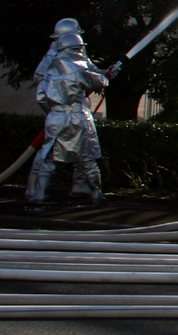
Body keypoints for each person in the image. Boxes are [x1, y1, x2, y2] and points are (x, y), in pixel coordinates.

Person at [27, 33, 114, 206]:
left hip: (56, 117)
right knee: (87, 158)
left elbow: (41, 97)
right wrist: (108, 75)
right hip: (78, 116)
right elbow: (100, 81)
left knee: (49, 158)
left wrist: (54, 111)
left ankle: (39, 194)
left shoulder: (49, 69)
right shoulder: (79, 67)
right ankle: (97, 193)